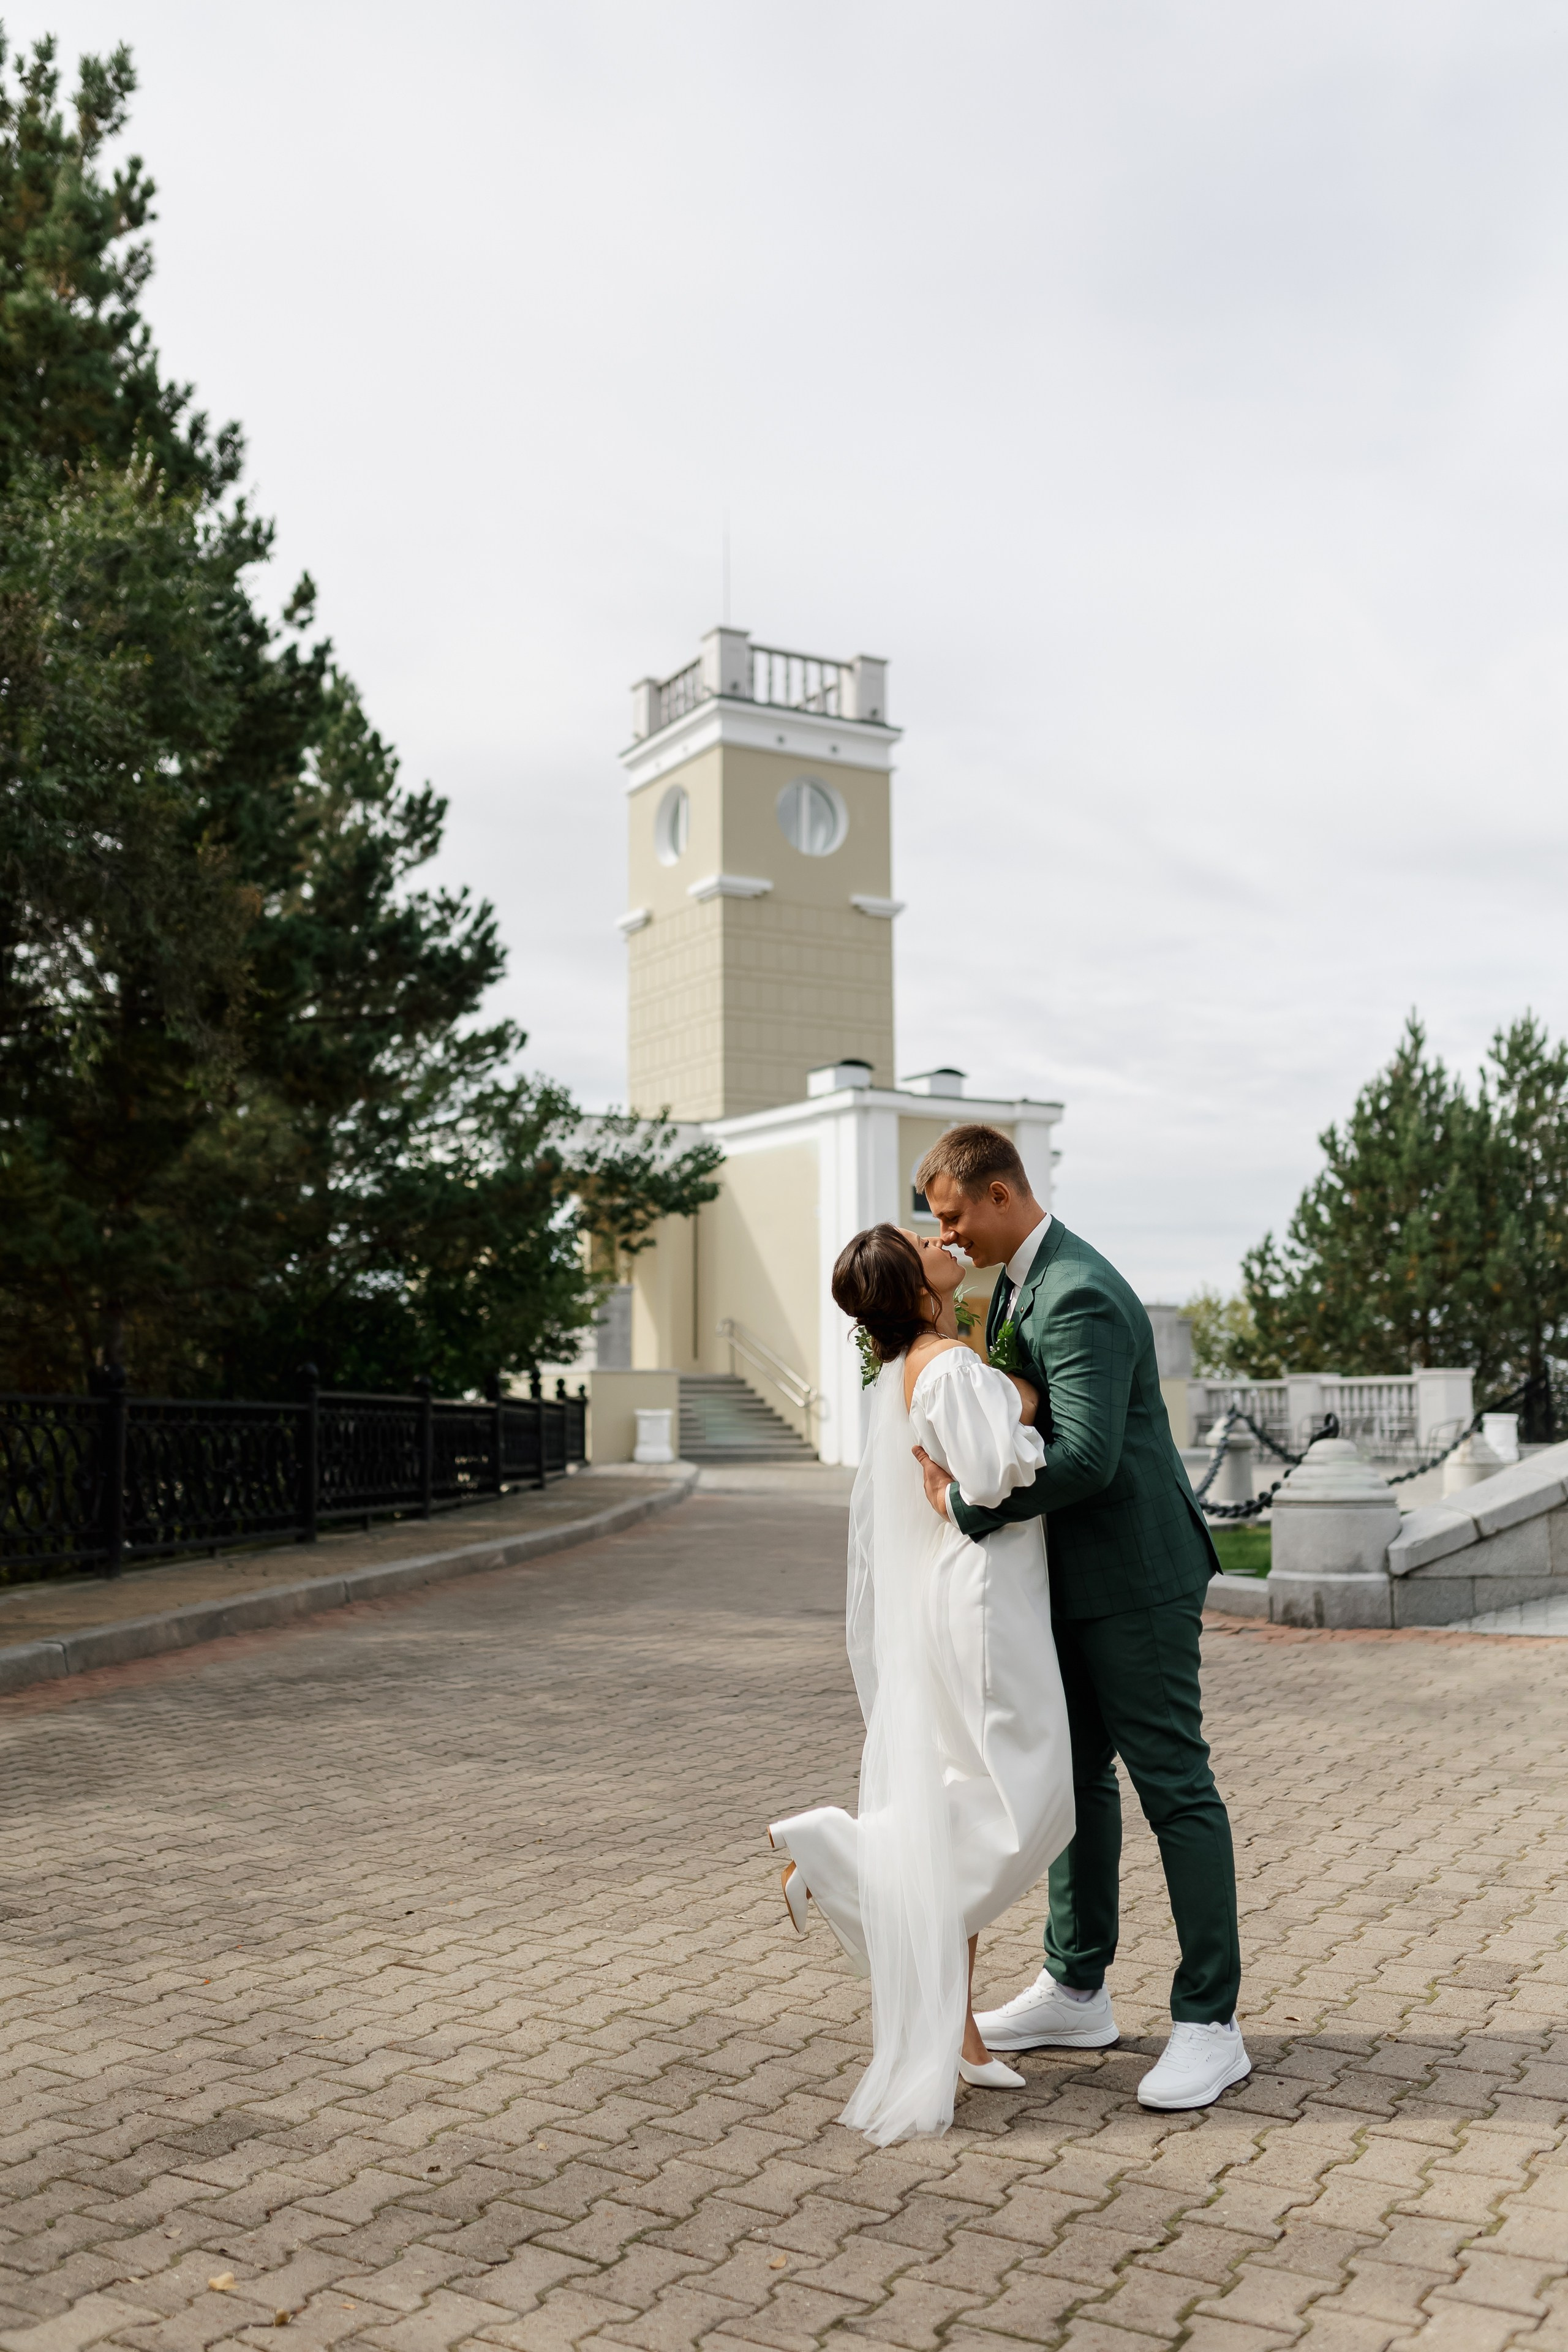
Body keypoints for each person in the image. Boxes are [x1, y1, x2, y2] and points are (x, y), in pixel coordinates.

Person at [910, 1123, 1250, 2113]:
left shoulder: (1080, 1289)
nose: (950, 1235)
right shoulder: (1018, 1282)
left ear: (1004, 1193)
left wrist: (967, 1508)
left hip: (1136, 1576)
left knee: (1173, 1783)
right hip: (1071, 1578)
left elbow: (1092, 1457)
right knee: (1074, 1781)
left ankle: (1210, 2022)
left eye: (955, 1215)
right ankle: (1076, 1986)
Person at [768, 1222, 1075, 2145]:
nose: (944, 1238)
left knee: (960, 1793)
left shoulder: (920, 1367)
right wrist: (1017, 1430)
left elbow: (976, 1425)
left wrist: (1005, 1391)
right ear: (917, 1282)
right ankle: (837, 1856)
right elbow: (998, 1471)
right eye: (924, 1238)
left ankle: (961, 2031)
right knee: (1028, 1799)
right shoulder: (942, 1368)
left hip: (955, 1597)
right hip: (986, 1600)